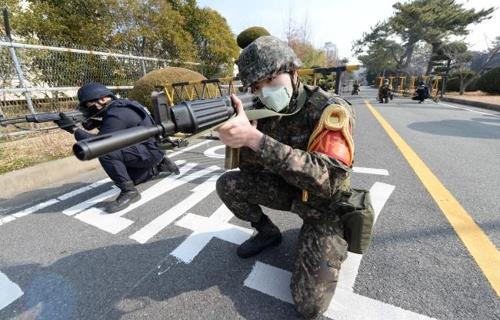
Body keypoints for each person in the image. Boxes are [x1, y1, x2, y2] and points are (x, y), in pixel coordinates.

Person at [216, 36, 355, 319]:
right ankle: (267, 233)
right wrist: (240, 142)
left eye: (270, 79)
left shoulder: (329, 110)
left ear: (293, 73)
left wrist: (256, 140)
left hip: (322, 207)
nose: (264, 91)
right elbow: (252, 173)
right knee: (228, 185)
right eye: (256, 86)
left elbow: (330, 180)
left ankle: (329, 240)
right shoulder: (262, 111)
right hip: (289, 192)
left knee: (309, 306)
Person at [55, 83, 179, 213]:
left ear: (102, 99)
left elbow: (100, 143)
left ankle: (129, 192)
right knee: (134, 178)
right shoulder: (123, 104)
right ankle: (159, 166)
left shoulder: (116, 114)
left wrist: (73, 129)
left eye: (88, 105)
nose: (88, 109)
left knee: (106, 151)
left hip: (149, 151)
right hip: (154, 147)